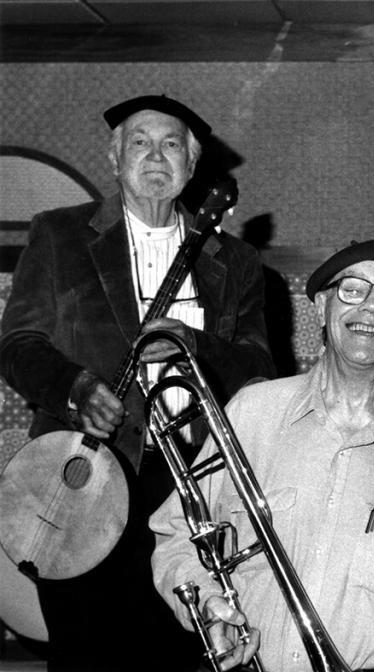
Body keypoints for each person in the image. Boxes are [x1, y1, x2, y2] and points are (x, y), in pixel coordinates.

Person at [0, 94, 274, 672]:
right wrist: (75, 389)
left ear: (192, 165)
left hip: (189, 483)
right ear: (114, 155)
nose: (156, 155)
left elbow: (257, 370)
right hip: (83, 479)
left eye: (172, 144)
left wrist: (191, 343)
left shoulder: (239, 261)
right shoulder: (59, 234)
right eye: (140, 142)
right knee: (83, 650)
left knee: (176, 647)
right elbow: (18, 347)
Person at [150, 240, 374, 672]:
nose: (371, 308)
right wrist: (207, 606)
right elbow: (177, 538)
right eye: (353, 290)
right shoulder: (251, 411)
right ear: (321, 308)